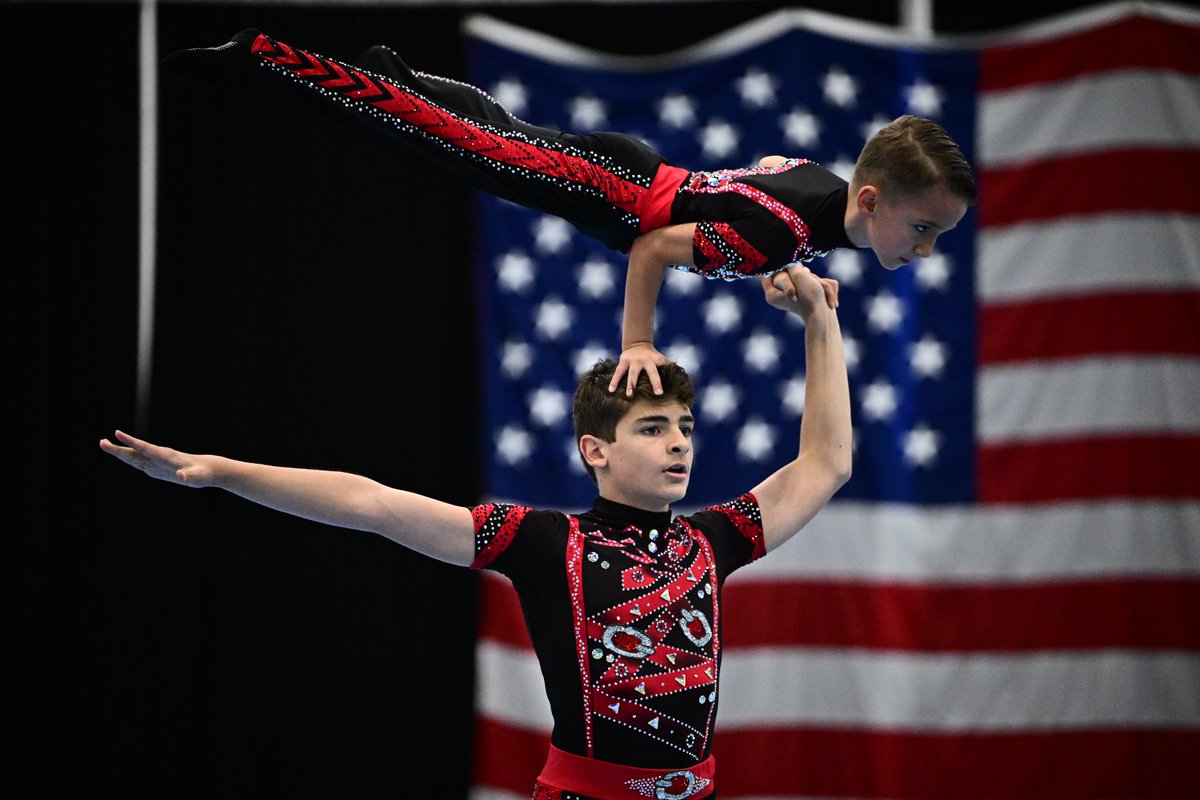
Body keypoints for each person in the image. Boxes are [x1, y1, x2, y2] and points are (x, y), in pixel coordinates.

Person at [100, 264, 851, 800]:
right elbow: (369, 502)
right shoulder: (544, 542)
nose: (680, 444)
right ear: (596, 450)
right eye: (652, 429)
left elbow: (825, 463)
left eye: (685, 427)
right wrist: (223, 471)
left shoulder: (710, 541)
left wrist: (822, 323)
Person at [161, 28, 975, 395]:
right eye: (924, 229)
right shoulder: (786, 233)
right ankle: (267, 61)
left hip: (631, 173)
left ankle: (399, 73)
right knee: (432, 139)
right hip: (612, 192)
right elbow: (655, 249)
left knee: (488, 140)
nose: (926, 249)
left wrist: (793, 275)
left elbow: (770, 182)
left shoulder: (820, 191)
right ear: (871, 202)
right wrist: (639, 343)